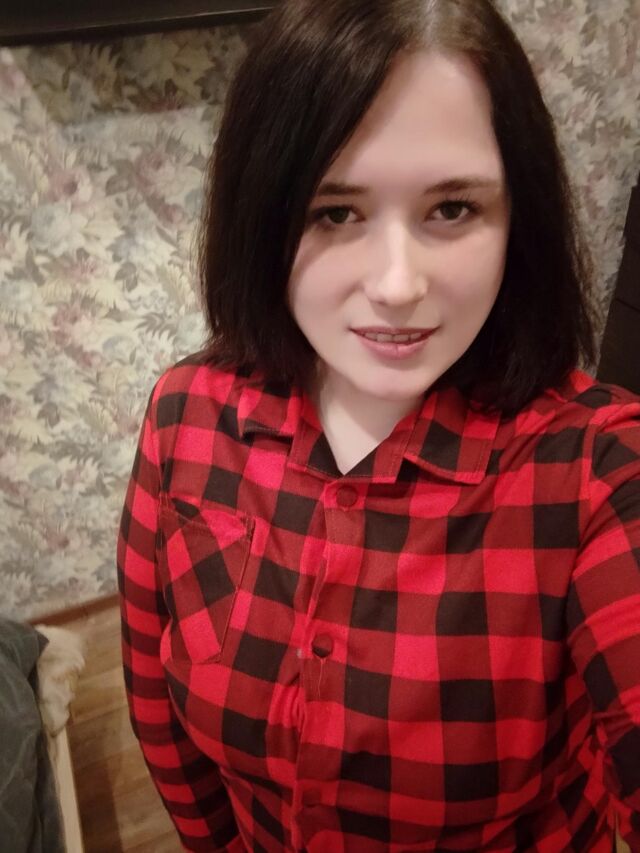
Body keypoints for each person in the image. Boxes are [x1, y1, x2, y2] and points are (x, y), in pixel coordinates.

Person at [117, 0, 640, 850]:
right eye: (335, 212)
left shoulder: (595, 471)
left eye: (453, 208)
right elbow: (154, 693)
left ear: (519, 215)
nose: (398, 285)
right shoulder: (188, 414)